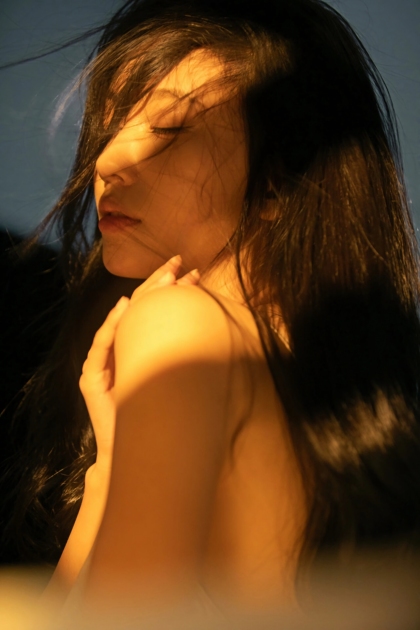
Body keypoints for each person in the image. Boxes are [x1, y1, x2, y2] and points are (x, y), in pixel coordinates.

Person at [2, 0, 420, 620]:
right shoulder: (303, 387)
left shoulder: (183, 328)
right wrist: (113, 466)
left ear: (277, 182)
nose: (107, 162)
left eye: (170, 131)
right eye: (110, 126)